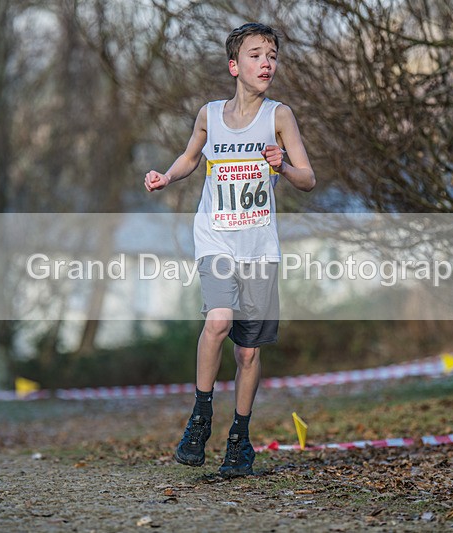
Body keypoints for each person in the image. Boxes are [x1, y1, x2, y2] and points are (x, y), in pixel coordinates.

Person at [144, 22, 315, 477]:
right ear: (235, 66)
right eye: (257, 55)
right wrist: (166, 176)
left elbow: (308, 178)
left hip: (259, 246)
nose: (267, 63)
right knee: (218, 320)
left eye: (273, 55)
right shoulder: (209, 114)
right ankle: (200, 420)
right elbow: (191, 156)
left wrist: (284, 164)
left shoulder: (280, 117)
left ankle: (239, 438)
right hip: (216, 236)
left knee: (247, 354)